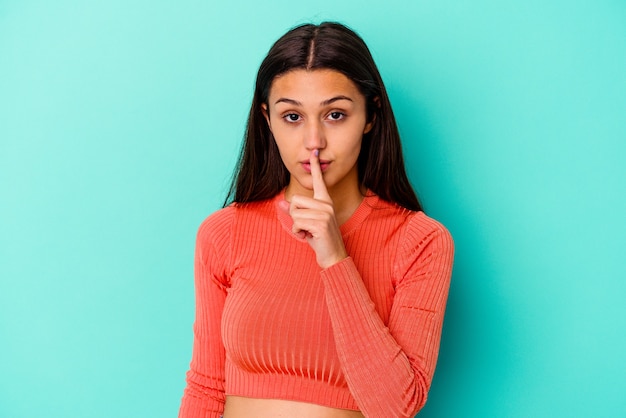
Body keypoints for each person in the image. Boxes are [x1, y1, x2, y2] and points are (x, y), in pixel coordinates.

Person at [179, 22, 454, 418]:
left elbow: (396, 407)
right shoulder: (224, 232)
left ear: (370, 115)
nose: (313, 141)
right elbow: (206, 387)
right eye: (292, 116)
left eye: (335, 115)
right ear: (267, 120)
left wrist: (334, 257)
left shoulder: (420, 242)